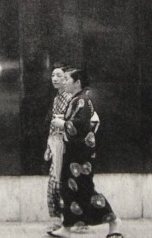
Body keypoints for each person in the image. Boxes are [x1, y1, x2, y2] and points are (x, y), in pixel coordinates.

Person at [48, 68, 124, 238]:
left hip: (80, 157)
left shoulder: (82, 101)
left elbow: (79, 126)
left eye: (67, 79)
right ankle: (67, 228)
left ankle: (114, 222)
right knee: (70, 190)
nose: (63, 81)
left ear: (77, 83)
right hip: (74, 155)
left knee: (85, 190)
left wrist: (62, 123)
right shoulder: (77, 100)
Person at [44, 65, 72, 231]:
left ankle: (64, 220)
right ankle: (57, 219)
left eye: (58, 75)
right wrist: (49, 146)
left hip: (67, 144)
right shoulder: (56, 99)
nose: (54, 78)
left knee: (59, 183)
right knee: (55, 183)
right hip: (56, 144)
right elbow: (53, 125)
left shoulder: (71, 99)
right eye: (53, 75)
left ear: (65, 78)